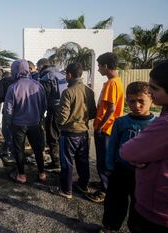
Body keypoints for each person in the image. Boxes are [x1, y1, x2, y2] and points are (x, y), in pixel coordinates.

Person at [120, 57, 168, 233]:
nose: (150, 92)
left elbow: (127, 151)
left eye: (154, 88)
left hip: (160, 210)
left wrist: (143, 158)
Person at [101, 82, 156, 232]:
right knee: (114, 202)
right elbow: (112, 145)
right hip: (120, 171)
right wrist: (110, 167)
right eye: (132, 101)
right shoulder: (121, 122)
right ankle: (109, 228)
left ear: (152, 100)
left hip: (144, 175)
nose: (136, 105)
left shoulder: (156, 125)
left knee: (139, 207)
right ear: (127, 101)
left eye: (141, 101)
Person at [49, 63, 96, 199]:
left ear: (69, 75)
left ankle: (66, 190)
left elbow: (63, 116)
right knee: (83, 161)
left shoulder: (68, 92)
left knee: (67, 162)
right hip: (83, 133)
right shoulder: (89, 91)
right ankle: (83, 185)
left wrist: (58, 124)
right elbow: (93, 112)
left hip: (69, 134)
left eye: (66, 75)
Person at [86, 52, 124, 203]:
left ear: (106, 66)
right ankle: (104, 184)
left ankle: (105, 190)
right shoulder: (116, 81)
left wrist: (100, 126)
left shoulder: (111, 83)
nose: (99, 69)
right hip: (110, 127)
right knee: (106, 159)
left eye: (100, 66)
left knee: (104, 160)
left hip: (106, 128)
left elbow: (111, 109)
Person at [5, 59, 47, 184]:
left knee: (19, 149)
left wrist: (8, 123)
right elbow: (43, 105)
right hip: (35, 123)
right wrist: (38, 117)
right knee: (37, 148)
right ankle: (42, 173)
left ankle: (22, 175)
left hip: (18, 124)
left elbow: (8, 110)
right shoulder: (38, 85)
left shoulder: (13, 87)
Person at [38, 59, 68, 172]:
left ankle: (56, 163)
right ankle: (63, 161)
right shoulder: (61, 74)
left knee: (52, 136)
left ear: (41, 66)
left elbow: (43, 98)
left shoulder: (47, 77)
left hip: (53, 110)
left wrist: (40, 113)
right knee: (61, 135)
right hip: (65, 109)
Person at [0, 70, 15, 163]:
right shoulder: (28, 82)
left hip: (8, 111)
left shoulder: (4, 81)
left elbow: (0, 96)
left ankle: (10, 153)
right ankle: (6, 149)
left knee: (7, 132)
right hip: (23, 113)